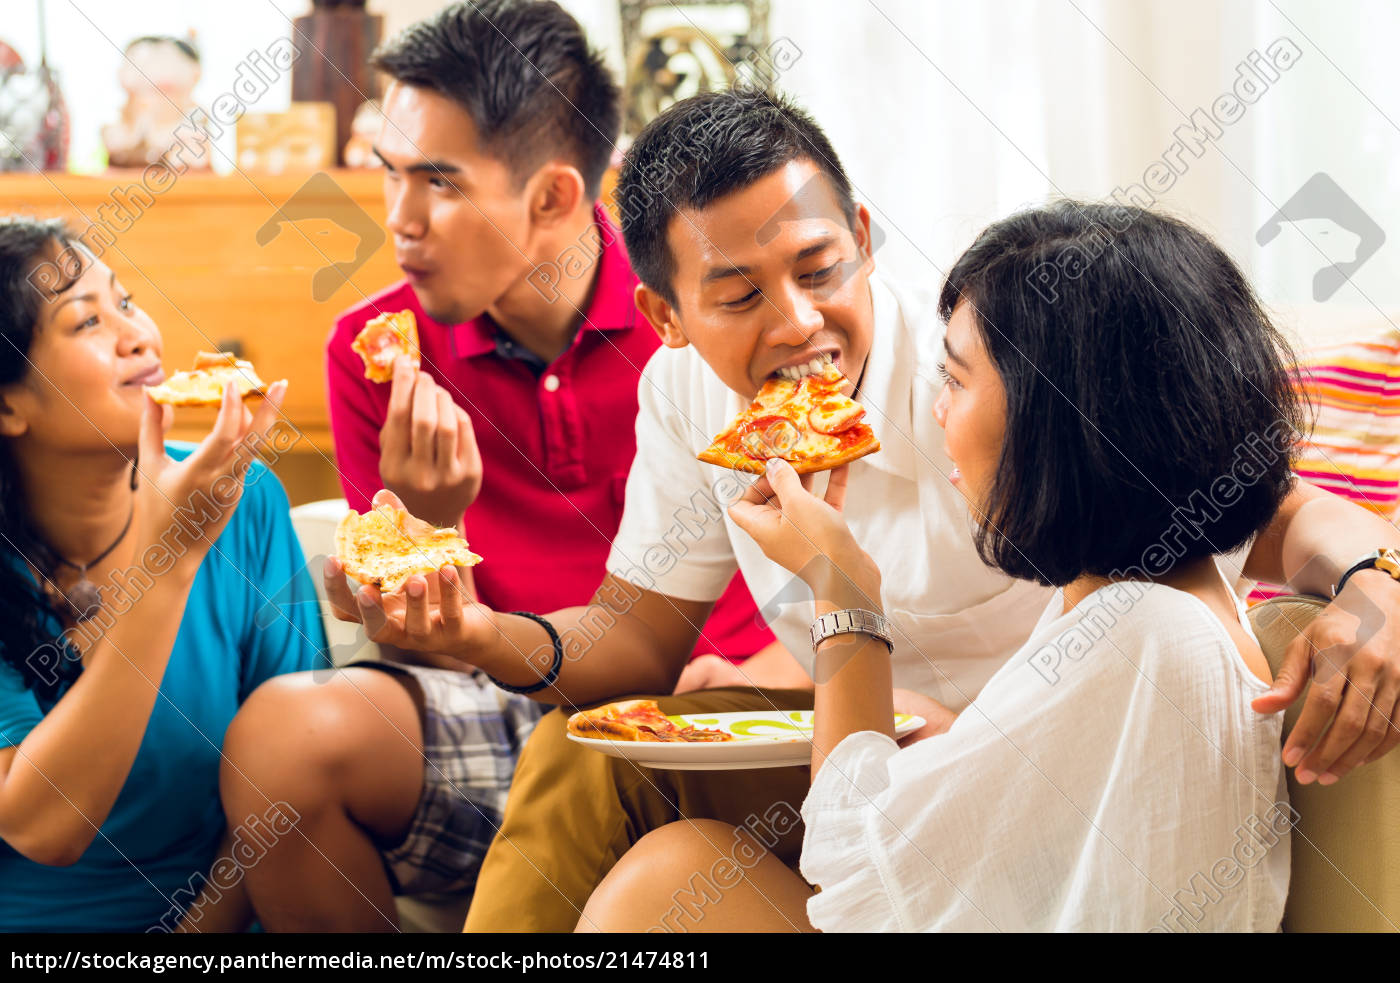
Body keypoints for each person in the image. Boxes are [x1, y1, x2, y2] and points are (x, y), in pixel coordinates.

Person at [331, 87, 1400, 932]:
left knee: (671, 880)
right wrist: (476, 633)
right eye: (740, 294)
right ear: (664, 314)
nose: (799, 325)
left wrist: (1375, 587)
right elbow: (637, 633)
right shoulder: (695, 394)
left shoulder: (1012, 373)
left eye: (818, 268)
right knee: (576, 756)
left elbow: (1259, 499)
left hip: (1013, 780)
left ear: (863, 237)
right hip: (896, 761)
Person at [577, 201, 1301, 932]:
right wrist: (957, 734)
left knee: (667, 881)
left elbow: (852, 867)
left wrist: (844, 594)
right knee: (677, 872)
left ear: (1061, 422)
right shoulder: (1136, 607)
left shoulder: (1145, 632)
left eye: (955, 381)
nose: (937, 415)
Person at [219, 0, 783, 932]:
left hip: (718, 703)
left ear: (557, 196)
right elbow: (411, 648)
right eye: (390, 173)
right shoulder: (374, 351)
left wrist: (764, 668)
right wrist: (421, 527)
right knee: (281, 736)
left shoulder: (706, 323)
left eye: (437, 182)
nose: (399, 220)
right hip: (511, 706)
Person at [0, 217, 326, 933]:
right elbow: (44, 824)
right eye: (87, 321)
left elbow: (297, 780)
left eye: (126, 301)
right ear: (7, 404)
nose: (139, 334)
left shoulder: (246, 499)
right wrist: (170, 557)